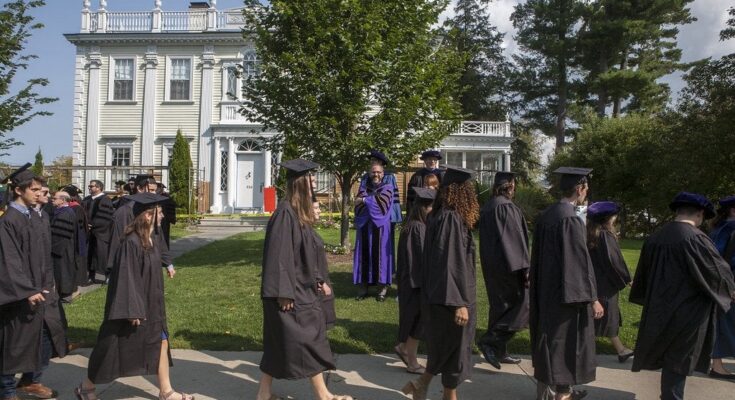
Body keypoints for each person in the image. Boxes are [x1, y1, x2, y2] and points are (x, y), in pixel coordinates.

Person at [75, 192, 191, 400]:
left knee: (161, 341)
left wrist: (168, 264)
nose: (162, 216)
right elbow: (126, 278)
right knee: (111, 347)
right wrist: (132, 309)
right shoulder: (131, 242)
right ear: (147, 215)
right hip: (131, 307)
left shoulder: (152, 238)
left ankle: (166, 391)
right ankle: (86, 387)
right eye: (160, 212)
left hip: (152, 304)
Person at [257, 159, 351, 400]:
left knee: (280, 343)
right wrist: (283, 292)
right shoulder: (285, 214)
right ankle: (324, 395)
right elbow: (279, 257)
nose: (313, 185)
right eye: (310, 181)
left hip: (301, 286)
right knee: (309, 339)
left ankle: (264, 394)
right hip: (290, 292)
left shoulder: (298, 215)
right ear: (300, 184)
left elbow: (308, 250)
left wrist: (319, 279)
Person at [630, 192, 735, 400]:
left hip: (660, 307)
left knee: (670, 358)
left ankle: (668, 395)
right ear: (700, 214)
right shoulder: (696, 239)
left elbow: (644, 275)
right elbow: (718, 273)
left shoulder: (655, 237)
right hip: (688, 311)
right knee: (678, 360)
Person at [401, 166, 479, 400]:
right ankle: (433, 390)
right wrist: (459, 303)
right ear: (459, 191)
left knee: (448, 348)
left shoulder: (439, 215)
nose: (471, 194)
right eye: (467, 189)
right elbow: (450, 262)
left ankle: (423, 386)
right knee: (453, 350)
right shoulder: (450, 218)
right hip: (450, 297)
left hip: (439, 294)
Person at [530, 167, 603, 400]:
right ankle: (562, 395)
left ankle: (557, 391)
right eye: (586, 188)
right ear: (580, 188)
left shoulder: (548, 215)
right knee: (565, 344)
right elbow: (578, 263)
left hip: (546, 290)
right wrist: (592, 298)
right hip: (566, 295)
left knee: (550, 341)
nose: (586, 192)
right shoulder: (570, 219)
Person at [0, 164, 61, 400]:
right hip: (19, 294)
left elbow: (44, 255)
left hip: (42, 289)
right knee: (14, 341)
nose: (39, 193)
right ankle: (5, 388)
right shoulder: (9, 221)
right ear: (18, 190)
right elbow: (8, 260)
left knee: (44, 336)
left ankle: (30, 380)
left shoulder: (35, 217)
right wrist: (26, 290)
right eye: (34, 189)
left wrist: (49, 282)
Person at [477, 171, 530, 370]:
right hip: (509, 267)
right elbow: (513, 241)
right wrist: (524, 268)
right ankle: (490, 341)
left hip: (494, 266)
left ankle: (499, 351)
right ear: (510, 186)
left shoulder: (490, 206)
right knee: (521, 305)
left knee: (500, 308)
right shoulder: (505, 207)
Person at [585, 201, 634, 362]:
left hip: (594, 281)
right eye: (614, 216)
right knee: (603, 316)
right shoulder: (605, 235)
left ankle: (621, 350)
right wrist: (627, 279)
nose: (615, 219)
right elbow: (614, 261)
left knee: (603, 316)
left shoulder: (591, 233)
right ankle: (588, 353)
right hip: (605, 284)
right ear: (608, 218)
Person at [395, 186, 435, 375]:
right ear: (423, 208)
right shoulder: (417, 228)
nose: (433, 212)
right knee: (416, 322)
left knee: (418, 321)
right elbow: (418, 259)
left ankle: (404, 349)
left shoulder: (413, 226)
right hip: (415, 283)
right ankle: (411, 361)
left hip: (412, 282)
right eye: (431, 208)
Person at [353, 162, 395, 301]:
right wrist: (368, 202)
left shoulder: (388, 187)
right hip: (366, 227)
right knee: (364, 257)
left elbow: (382, 203)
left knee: (381, 257)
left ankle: (381, 290)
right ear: (369, 173)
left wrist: (365, 200)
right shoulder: (363, 187)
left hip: (381, 229)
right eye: (373, 172)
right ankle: (363, 289)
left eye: (378, 172)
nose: (376, 174)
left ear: (383, 174)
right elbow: (357, 206)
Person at [709, 195, 735, 379]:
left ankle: (717, 366)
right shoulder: (731, 229)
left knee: (721, 323)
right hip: (730, 283)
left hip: (718, 284)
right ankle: (717, 367)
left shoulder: (717, 229)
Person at [83, 180, 114, 283]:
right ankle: (90, 276)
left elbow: (105, 217)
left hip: (101, 232)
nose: (89, 188)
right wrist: (86, 224)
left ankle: (104, 276)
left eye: (91, 186)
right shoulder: (86, 199)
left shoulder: (105, 200)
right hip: (88, 232)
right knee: (89, 254)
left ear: (98, 187)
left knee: (101, 255)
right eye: (89, 186)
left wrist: (93, 225)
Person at [50, 191, 81, 299]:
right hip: (64, 245)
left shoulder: (65, 213)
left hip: (62, 246)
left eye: (54, 198)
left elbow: (60, 233)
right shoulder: (63, 211)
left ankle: (66, 293)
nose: (52, 199)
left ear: (63, 200)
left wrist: (53, 247)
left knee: (63, 269)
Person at [406, 150, 444, 215]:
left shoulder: (442, 175)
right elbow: (411, 196)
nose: (432, 161)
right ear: (425, 161)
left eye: (434, 159)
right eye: (429, 159)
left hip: (437, 207)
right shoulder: (417, 175)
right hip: (421, 207)